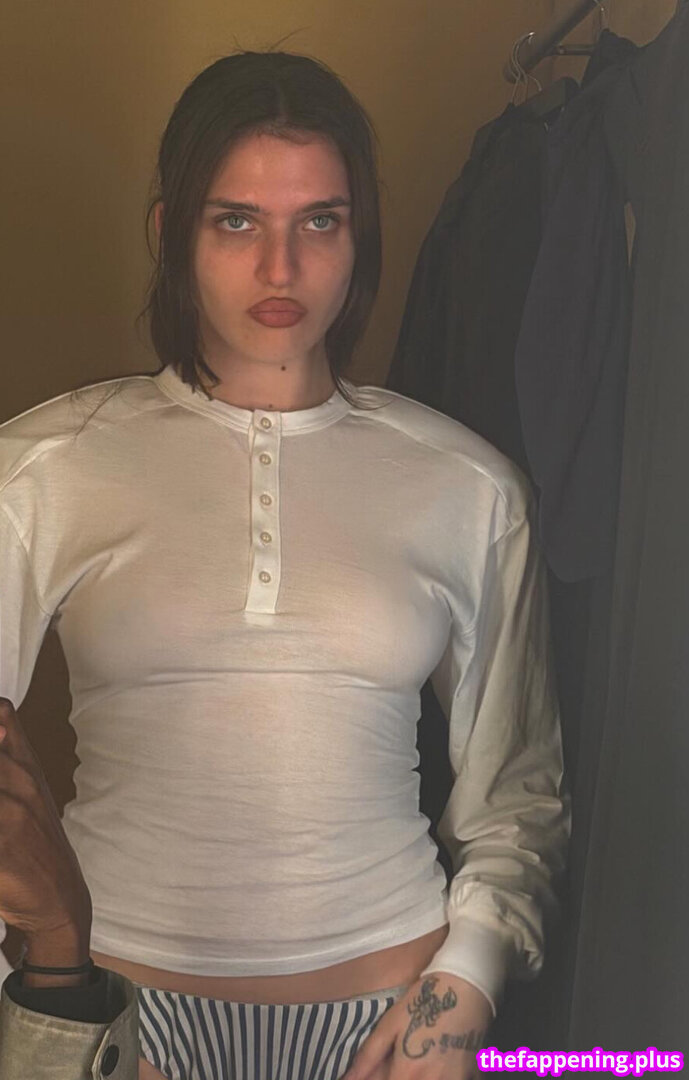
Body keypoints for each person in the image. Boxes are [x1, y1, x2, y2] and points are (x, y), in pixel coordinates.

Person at [0, 50, 569, 1080]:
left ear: (359, 238)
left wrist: (465, 987)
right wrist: (51, 1017)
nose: (279, 268)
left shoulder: (470, 488)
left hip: (390, 1023)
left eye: (318, 221)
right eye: (235, 221)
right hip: (122, 1021)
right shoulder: (45, 467)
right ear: (171, 233)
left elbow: (516, 799)